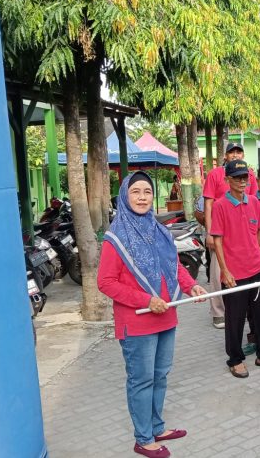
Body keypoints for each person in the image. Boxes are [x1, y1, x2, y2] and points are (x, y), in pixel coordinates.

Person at [98, 172, 206, 458]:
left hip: (166, 316)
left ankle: (157, 427)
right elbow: (105, 282)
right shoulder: (115, 237)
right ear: (125, 196)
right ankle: (143, 438)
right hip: (137, 321)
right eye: (136, 191)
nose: (142, 197)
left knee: (160, 376)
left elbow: (173, 266)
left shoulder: (159, 230)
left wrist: (191, 285)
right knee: (142, 380)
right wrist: (146, 299)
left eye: (147, 191)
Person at [210, 160, 260, 378]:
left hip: (257, 268)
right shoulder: (220, 205)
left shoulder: (253, 201)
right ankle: (235, 359)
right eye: (237, 178)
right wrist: (225, 270)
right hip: (235, 273)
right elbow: (217, 241)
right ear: (228, 180)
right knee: (235, 318)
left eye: (245, 177)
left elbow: (259, 229)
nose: (242, 181)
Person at [202, 143, 257, 329]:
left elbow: (254, 201)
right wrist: (210, 232)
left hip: (244, 231)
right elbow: (208, 204)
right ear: (225, 156)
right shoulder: (215, 174)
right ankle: (218, 312)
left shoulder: (249, 174)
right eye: (231, 152)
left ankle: (244, 309)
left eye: (238, 151)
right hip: (220, 229)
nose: (235, 154)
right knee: (218, 271)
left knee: (245, 269)